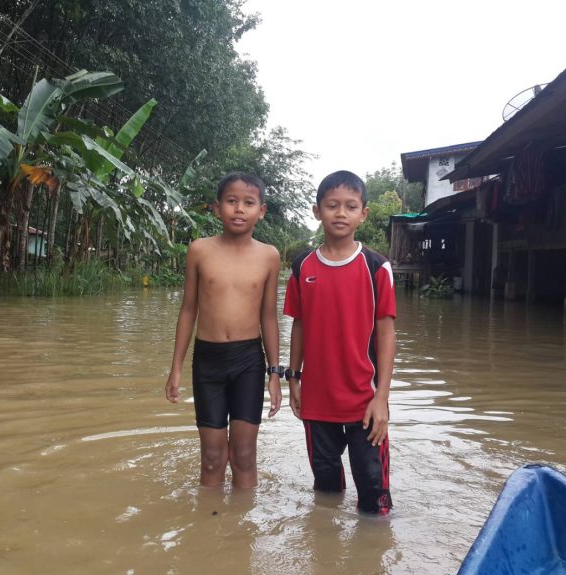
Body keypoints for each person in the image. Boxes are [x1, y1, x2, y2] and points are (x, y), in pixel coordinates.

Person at [283, 170, 396, 514]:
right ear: (317, 211)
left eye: (350, 206)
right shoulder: (303, 266)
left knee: (374, 499)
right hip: (318, 402)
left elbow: (387, 332)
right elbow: (299, 326)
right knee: (326, 495)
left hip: (365, 402)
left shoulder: (376, 266)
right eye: (332, 205)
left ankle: (373, 560)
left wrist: (382, 398)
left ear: (363, 214)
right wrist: (293, 380)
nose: (341, 213)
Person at [165, 172, 283, 489]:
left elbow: (269, 317)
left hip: (248, 361)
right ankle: (209, 528)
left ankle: (241, 533)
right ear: (218, 208)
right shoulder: (199, 250)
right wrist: (175, 368)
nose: (239, 209)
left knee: (244, 454)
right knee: (212, 457)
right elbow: (188, 310)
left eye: (248, 202)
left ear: (261, 210)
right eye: (231, 201)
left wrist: (275, 373)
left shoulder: (269, 256)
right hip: (208, 361)